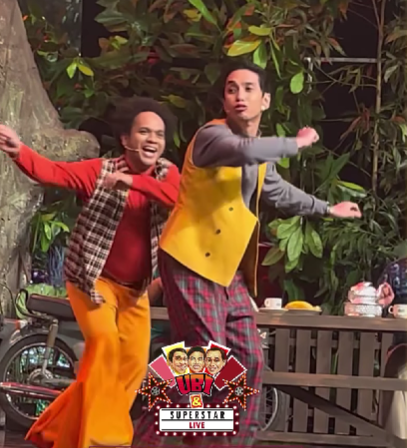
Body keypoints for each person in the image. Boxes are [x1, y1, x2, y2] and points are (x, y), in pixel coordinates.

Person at [135, 60, 362, 448]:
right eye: (231, 89)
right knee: (209, 358)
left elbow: (277, 190)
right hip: (190, 259)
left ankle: (233, 442)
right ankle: (150, 438)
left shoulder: (257, 154)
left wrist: (327, 208)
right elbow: (243, 149)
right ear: (224, 100)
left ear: (265, 100)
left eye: (248, 88)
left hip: (225, 268)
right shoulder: (213, 136)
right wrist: (294, 143)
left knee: (249, 358)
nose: (239, 95)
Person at [0, 96, 180, 448]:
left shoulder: (166, 175)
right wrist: (19, 151)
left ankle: (54, 429)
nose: (152, 139)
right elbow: (54, 172)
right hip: (92, 281)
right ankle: (101, 439)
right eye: (144, 132)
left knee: (133, 365)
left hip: (135, 290)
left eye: (158, 134)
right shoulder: (100, 171)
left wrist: (132, 183)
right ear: (126, 139)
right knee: (104, 346)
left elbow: (174, 197)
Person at [377, 259, 407, 439]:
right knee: (400, 374)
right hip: (403, 352)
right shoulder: (396, 271)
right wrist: (382, 303)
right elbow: (374, 310)